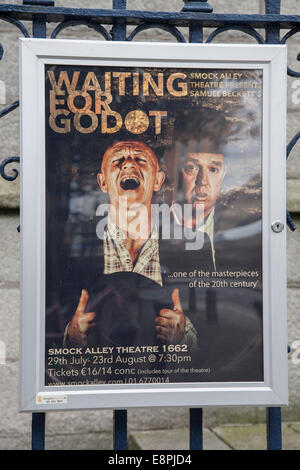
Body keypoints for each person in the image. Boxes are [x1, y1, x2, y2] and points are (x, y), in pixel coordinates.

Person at [65, 140, 197, 349]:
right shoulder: (86, 249)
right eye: (118, 160)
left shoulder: (176, 243)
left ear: (158, 180)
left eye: (140, 160)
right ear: (103, 182)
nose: (128, 165)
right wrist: (71, 338)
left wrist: (183, 335)